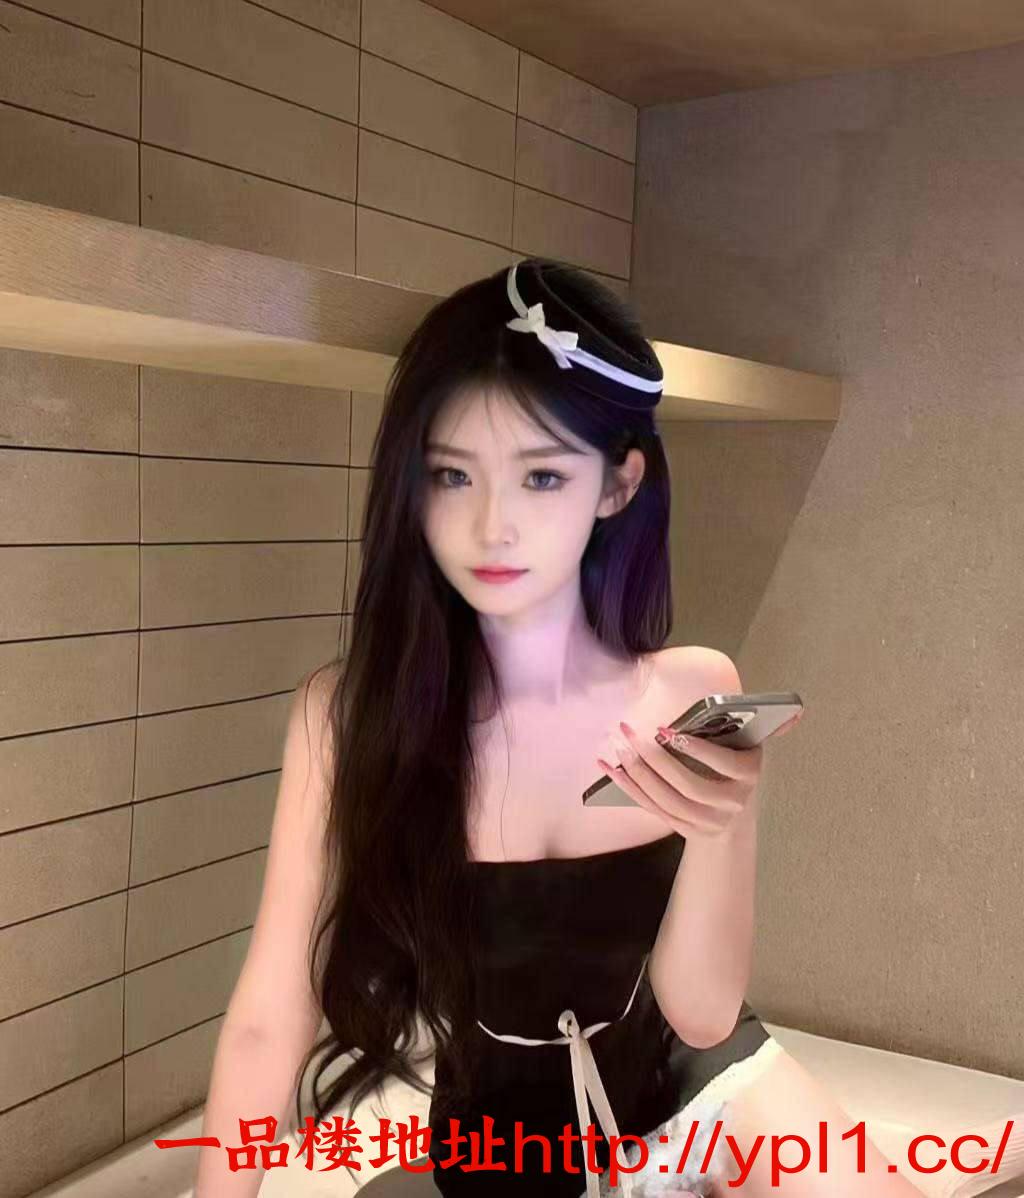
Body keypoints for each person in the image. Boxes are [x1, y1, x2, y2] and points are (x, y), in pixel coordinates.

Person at [193, 258, 937, 1197]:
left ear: (617, 486)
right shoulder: (345, 718)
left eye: (542, 476)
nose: (491, 526)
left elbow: (704, 1015)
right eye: (452, 475)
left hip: (698, 1091)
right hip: (498, 1148)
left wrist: (721, 824)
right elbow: (271, 1015)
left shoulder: (694, 689)